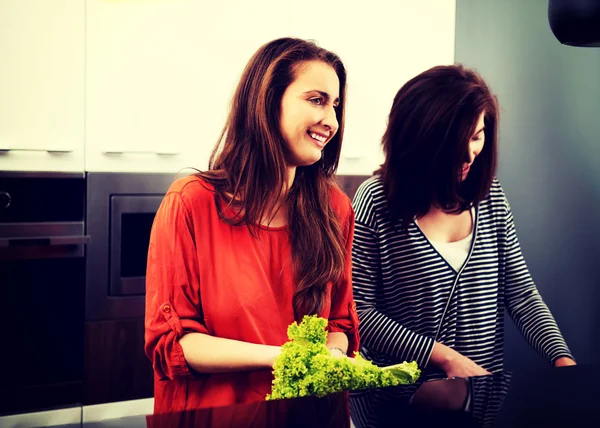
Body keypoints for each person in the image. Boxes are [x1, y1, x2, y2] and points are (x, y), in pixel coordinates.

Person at [349, 63, 575, 427]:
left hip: (479, 403)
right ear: (420, 140)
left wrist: (562, 361)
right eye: (457, 143)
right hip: (393, 406)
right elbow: (360, 310)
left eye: (477, 136)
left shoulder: (491, 198)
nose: (470, 155)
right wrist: (440, 356)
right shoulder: (375, 201)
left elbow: (520, 293)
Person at [144, 37, 359, 414]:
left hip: (308, 419)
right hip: (218, 418)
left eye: (336, 105)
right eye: (316, 100)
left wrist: (332, 354)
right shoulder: (191, 202)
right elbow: (176, 344)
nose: (332, 121)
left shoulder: (334, 209)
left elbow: (339, 322)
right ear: (266, 101)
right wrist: (286, 357)